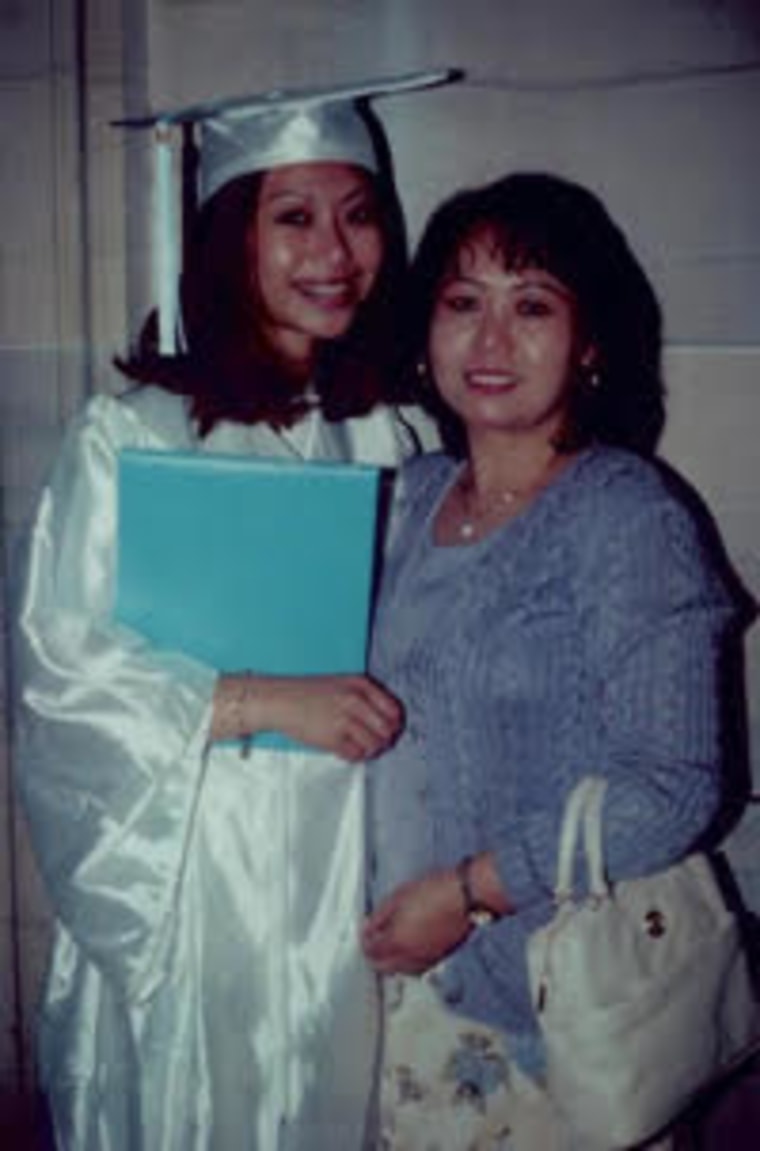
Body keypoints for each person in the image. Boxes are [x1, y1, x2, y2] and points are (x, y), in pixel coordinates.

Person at [15, 73, 454, 1151]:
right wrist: (260, 699)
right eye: (293, 217)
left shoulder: (390, 433)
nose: (334, 251)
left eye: (359, 216)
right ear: (230, 238)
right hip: (197, 864)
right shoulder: (135, 433)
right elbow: (60, 661)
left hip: (354, 867)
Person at [362, 172, 745, 1149]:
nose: (490, 342)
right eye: (462, 304)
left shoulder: (626, 515)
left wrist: (469, 890)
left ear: (591, 344)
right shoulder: (406, 497)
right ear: (423, 332)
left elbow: (673, 786)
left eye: (531, 305)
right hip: (400, 1004)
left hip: (556, 1017)